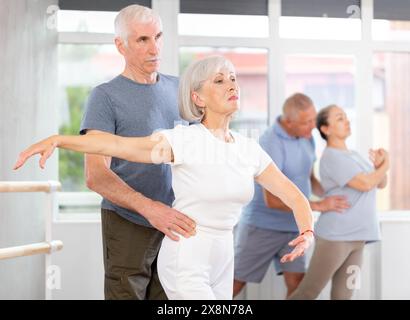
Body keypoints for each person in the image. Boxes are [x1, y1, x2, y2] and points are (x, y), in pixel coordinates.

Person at [14, 55, 314, 300]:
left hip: (224, 255)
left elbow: (292, 194)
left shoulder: (249, 148)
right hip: (188, 254)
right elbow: (117, 145)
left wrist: (307, 231)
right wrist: (59, 139)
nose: (231, 84)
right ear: (197, 97)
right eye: (219, 80)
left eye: (233, 78)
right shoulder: (183, 141)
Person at [78, 5, 195, 300]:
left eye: (158, 36)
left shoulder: (180, 89)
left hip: (177, 221)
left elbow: (200, 151)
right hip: (129, 220)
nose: (154, 48)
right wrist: (150, 209)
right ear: (121, 45)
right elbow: (96, 176)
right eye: (143, 40)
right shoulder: (105, 97)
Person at [233, 94, 350, 298]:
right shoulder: (270, 142)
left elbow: (308, 176)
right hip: (261, 228)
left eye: (314, 119)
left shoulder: (308, 138)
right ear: (288, 121)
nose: (313, 126)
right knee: (235, 283)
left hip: (294, 227)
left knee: (297, 285)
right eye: (307, 122)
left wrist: (331, 194)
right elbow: (273, 200)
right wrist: (320, 205)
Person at [288, 104, 388, 300]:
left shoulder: (355, 155)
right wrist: (386, 165)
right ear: (325, 129)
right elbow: (366, 183)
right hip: (336, 238)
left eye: (346, 117)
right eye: (340, 118)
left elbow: (380, 182)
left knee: (344, 296)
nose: (347, 121)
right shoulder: (331, 157)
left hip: (358, 237)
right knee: (308, 293)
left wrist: (379, 166)